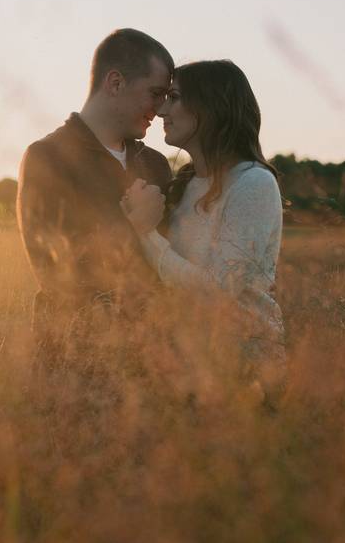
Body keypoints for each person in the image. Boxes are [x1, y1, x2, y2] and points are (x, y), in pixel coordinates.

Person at [16, 28, 174, 362]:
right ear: (115, 83)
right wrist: (134, 227)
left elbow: (169, 270)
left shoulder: (156, 165)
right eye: (155, 93)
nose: (160, 110)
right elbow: (56, 273)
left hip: (151, 363)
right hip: (73, 364)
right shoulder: (47, 158)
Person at [122, 59, 286, 373]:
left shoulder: (253, 182)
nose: (161, 111)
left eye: (174, 98)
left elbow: (219, 292)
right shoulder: (183, 184)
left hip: (245, 366)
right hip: (187, 365)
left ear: (210, 106)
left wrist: (144, 232)